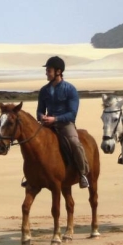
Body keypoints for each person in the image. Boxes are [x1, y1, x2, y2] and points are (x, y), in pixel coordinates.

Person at [22, 56, 90, 189]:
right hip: (47, 125)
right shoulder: (44, 90)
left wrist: (55, 119)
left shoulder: (70, 89)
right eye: (47, 70)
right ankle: (31, 176)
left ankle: (83, 174)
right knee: (31, 145)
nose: (46, 73)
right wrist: (42, 117)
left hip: (65, 124)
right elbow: (39, 111)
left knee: (75, 143)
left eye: (49, 70)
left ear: (58, 72)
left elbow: (72, 113)